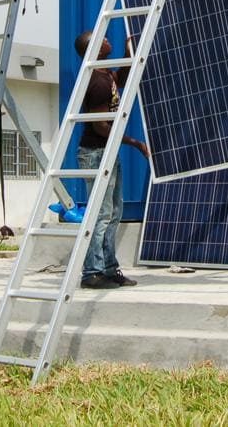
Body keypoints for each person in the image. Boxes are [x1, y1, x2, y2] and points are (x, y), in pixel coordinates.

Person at [73, 30, 149, 289]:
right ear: (93, 48)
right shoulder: (96, 82)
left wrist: (129, 54)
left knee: (115, 212)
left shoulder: (105, 75)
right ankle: (91, 273)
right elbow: (101, 126)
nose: (107, 39)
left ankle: (108, 268)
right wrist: (136, 143)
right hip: (95, 154)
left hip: (107, 152)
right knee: (101, 214)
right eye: (102, 39)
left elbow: (121, 79)